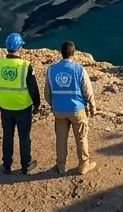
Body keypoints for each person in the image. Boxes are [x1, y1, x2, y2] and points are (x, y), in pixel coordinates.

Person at [0, 33, 41, 175]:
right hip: (23, 107)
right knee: (24, 136)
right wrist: (37, 104)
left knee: (7, 136)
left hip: (5, 106)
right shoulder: (25, 66)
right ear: (20, 48)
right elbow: (33, 88)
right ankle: (26, 164)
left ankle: (6, 165)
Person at [46, 40, 96, 175]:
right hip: (77, 109)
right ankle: (83, 165)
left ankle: (60, 166)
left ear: (61, 52)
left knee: (61, 138)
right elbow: (88, 90)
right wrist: (92, 106)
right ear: (74, 53)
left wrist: (54, 104)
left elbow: (47, 93)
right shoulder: (79, 69)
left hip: (59, 110)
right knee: (81, 137)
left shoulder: (51, 70)